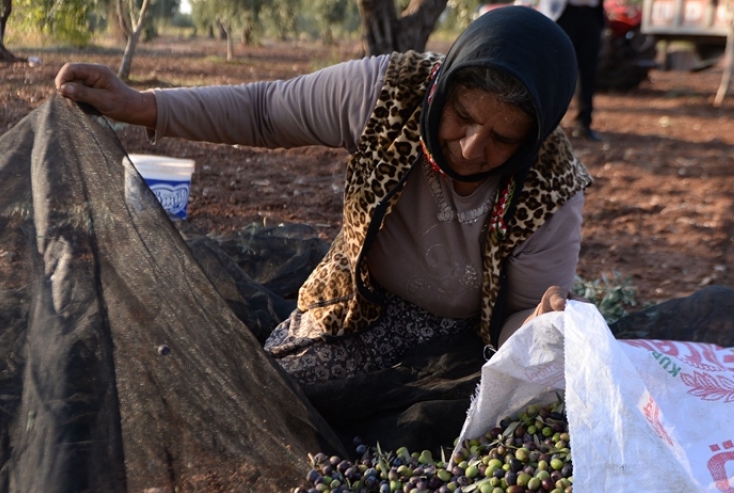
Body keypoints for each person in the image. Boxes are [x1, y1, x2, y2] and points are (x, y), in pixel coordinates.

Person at [55, 7, 588, 411]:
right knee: (266, 384)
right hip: (354, 293)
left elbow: (520, 309)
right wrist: (142, 105)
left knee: (308, 405)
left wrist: (536, 330)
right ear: (443, 88)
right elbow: (265, 112)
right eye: (463, 117)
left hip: (454, 339)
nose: (473, 148)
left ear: (532, 139)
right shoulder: (392, 92)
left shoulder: (550, 185)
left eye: (502, 138)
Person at [555, 0, 606, 141]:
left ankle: (584, 124)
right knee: (559, 71)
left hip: (592, 16)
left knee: (588, 72)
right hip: (564, 14)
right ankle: (550, 125)